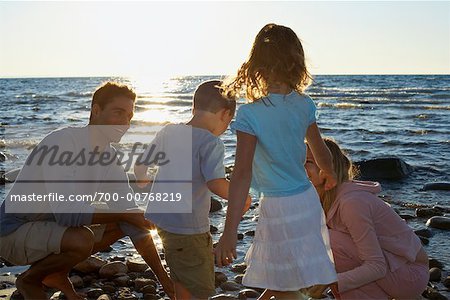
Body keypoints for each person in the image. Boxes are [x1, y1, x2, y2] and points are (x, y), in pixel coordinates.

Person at [0, 82, 174, 300]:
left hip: (48, 224)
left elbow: (132, 218)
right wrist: (126, 214)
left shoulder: (110, 159)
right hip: (13, 231)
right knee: (82, 238)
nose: (125, 123)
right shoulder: (62, 143)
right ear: (96, 110)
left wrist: (166, 281)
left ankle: (56, 273)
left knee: (129, 220)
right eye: (118, 113)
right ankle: (30, 279)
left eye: (129, 116)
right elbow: (67, 212)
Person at [213, 24, 338, 300]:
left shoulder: (251, 115)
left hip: (279, 207)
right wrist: (329, 175)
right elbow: (321, 152)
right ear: (296, 64)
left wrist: (229, 231)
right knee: (285, 278)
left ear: (257, 65)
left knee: (286, 283)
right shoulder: (304, 105)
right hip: (306, 202)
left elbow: (242, 173)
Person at [134, 80, 252, 300]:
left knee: (181, 276)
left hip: (164, 224)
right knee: (199, 287)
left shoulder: (168, 131)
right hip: (190, 229)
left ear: (193, 108)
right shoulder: (210, 142)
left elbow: (140, 166)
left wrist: (147, 183)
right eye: (229, 122)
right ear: (225, 115)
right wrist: (240, 197)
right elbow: (215, 183)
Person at [304, 138, 429, 299]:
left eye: (307, 161)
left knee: (330, 242)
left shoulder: (352, 203)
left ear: (328, 167)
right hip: (392, 270)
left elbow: (377, 266)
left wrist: (332, 281)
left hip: (410, 275)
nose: (300, 168)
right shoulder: (324, 200)